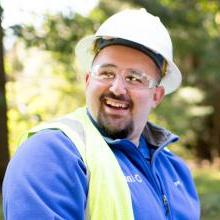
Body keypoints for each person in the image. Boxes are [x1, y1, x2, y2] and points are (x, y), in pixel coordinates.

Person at [2, 8, 200, 220]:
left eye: (134, 78)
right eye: (107, 73)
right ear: (88, 81)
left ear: (157, 96)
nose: (117, 88)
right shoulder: (52, 153)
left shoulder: (176, 170)